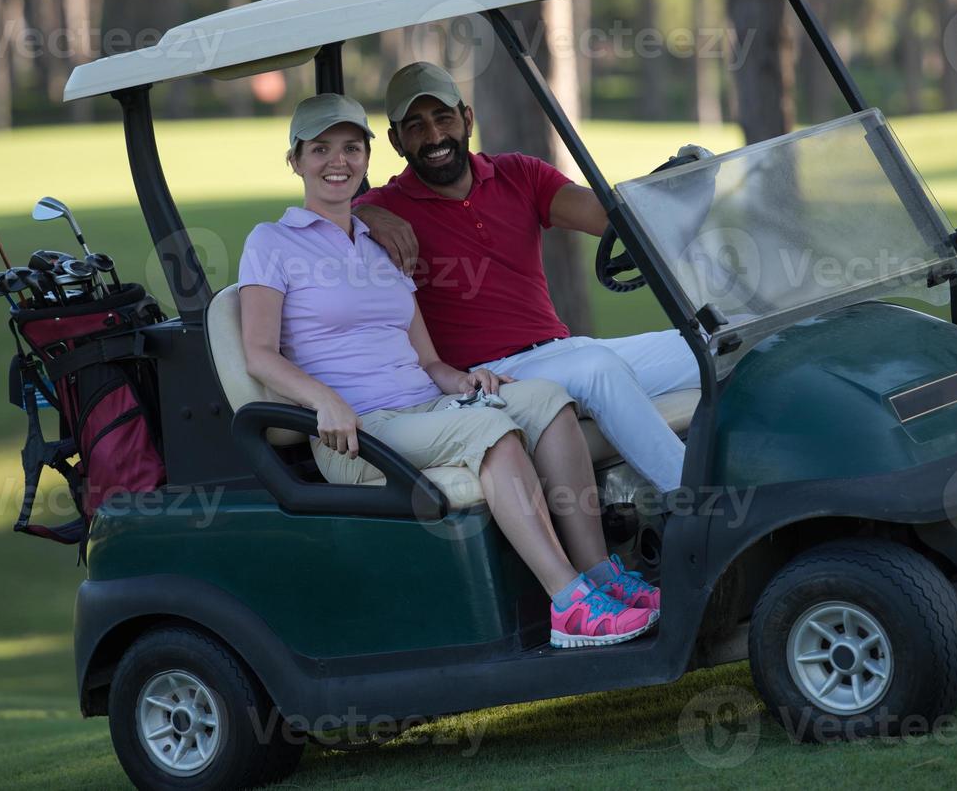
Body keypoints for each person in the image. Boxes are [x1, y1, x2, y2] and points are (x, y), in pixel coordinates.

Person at [238, 93, 659, 648]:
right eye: (320, 149)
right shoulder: (271, 243)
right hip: (359, 432)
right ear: (295, 160)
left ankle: (600, 573)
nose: (336, 161)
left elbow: (428, 359)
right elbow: (259, 353)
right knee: (492, 432)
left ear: (367, 158)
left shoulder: (381, 245)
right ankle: (569, 603)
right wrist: (322, 401)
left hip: (425, 408)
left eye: (350, 148)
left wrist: (464, 382)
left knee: (546, 401)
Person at [354, 62, 698, 493]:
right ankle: (699, 502)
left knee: (708, 343)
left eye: (443, 118)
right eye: (415, 126)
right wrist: (363, 211)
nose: (435, 137)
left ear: (467, 118)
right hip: (489, 377)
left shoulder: (518, 173)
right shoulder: (385, 206)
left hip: (561, 351)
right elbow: (327, 229)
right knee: (598, 369)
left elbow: (606, 218)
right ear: (395, 140)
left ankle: (765, 472)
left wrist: (679, 188)